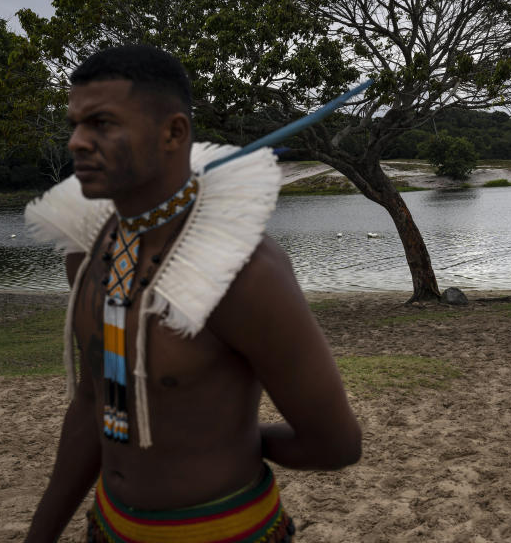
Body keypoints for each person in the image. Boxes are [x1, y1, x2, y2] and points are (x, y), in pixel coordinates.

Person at [22, 45, 361, 542]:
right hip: (107, 525)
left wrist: (232, 441)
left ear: (173, 133)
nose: (77, 142)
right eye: (75, 123)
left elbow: (336, 445)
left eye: (101, 123)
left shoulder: (244, 275)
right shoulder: (87, 253)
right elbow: (94, 402)